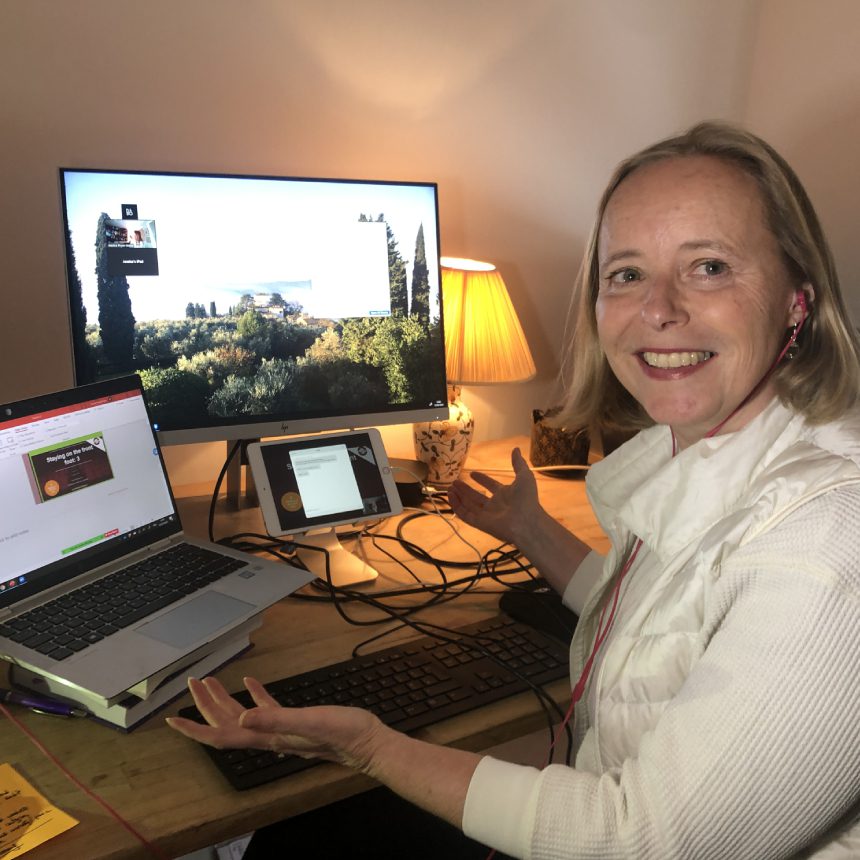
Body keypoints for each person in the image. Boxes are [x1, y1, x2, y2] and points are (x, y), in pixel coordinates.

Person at [167, 121, 860, 859]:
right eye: (626, 273)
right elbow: (670, 624)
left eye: (710, 266)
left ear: (796, 300)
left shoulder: (827, 539)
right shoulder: (711, 458)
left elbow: (644, 840)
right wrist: (531, 528)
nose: (659, 308)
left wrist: (372, 748)